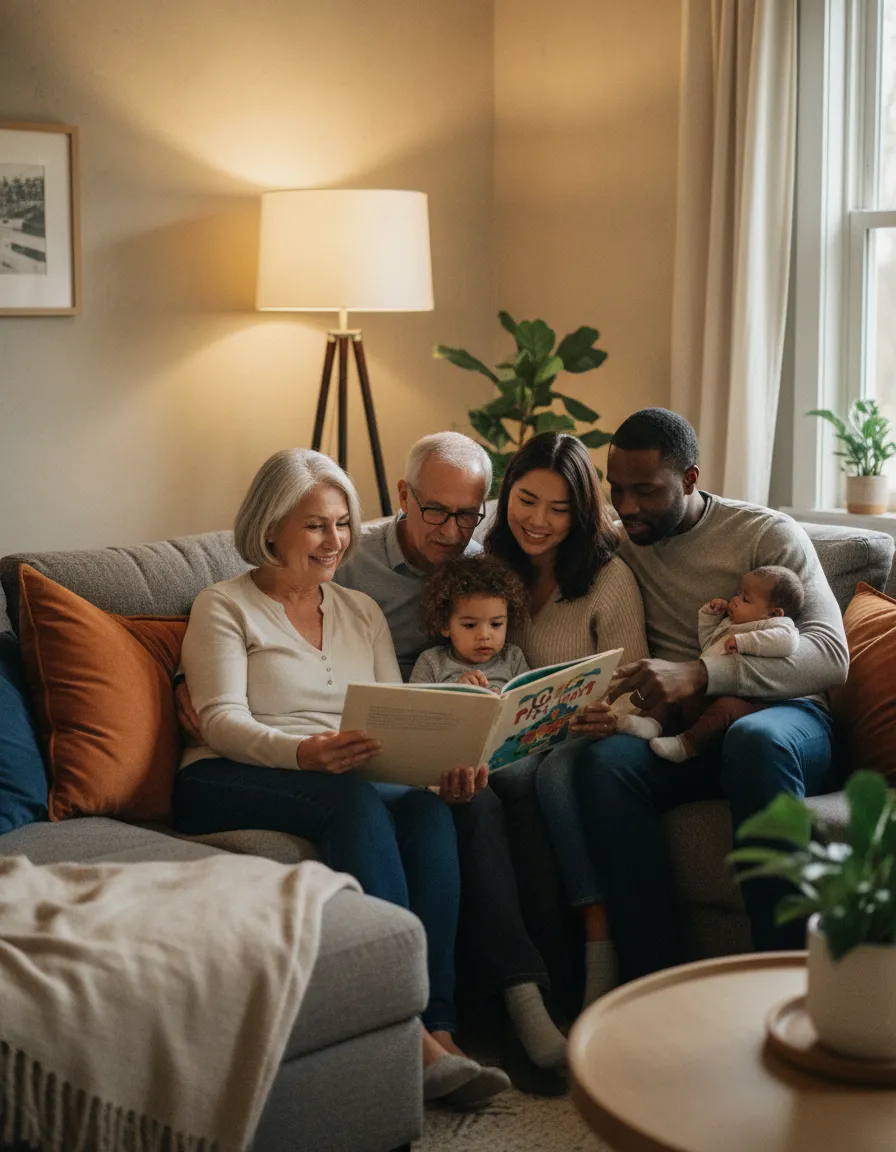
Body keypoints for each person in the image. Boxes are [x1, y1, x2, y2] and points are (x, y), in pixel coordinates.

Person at [177, 433, 569, 1083]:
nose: (333, 540)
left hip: (342, 767)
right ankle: (406, 1029)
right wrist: (306, 751)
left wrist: (439, 767)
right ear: (271, 527)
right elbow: (220, 721)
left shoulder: (361, 610)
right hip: (229, 774)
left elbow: (395, 715)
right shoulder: (224, 605)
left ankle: (440, 1024)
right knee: (354, 799)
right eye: (315, 526)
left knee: (429, 812)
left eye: (340, 525)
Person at [573, 408, 849, 982]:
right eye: (616, 489)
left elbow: (830, 655)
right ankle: (658, 980)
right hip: (690, 731)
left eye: (645, 491)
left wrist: (703, 674)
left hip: (786, 721)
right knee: (604, 764)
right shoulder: (625, 546)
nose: (626, 508)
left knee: (753, 738)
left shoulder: (765, 533)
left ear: (691, 479)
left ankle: (784, 979)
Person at [483, 431, 650, 1008]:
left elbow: (633, 689)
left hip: (587, 734)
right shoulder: (492, 565)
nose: (539, 521)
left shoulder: (608, 577)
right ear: (507, 494)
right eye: (527, 500)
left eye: (559, 509)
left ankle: (597, 940)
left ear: (581, 513)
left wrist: (608, 714)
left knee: (550, 777)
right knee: (496, 784)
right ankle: (523, 977)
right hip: (514, 740)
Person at [621, 565, 805, 762]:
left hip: (749, 702)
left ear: (774, 613)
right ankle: (651, 722)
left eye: (745, 599)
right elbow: (709, 645)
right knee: (675, 690)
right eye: (737, 594)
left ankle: (686, 745)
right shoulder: (730, 624)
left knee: (725, 709)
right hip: (711, 688)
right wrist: (710, 618)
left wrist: (745, 642)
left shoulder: (774, 625)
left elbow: (789, 642)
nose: (735, 600)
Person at [410, 555, 530, 689]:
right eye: (470, 625)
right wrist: (457, 694)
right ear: (445, 624)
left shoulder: (513, 658)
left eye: (496, 624)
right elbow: (414, 707)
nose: (484, 635)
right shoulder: (431, 662)